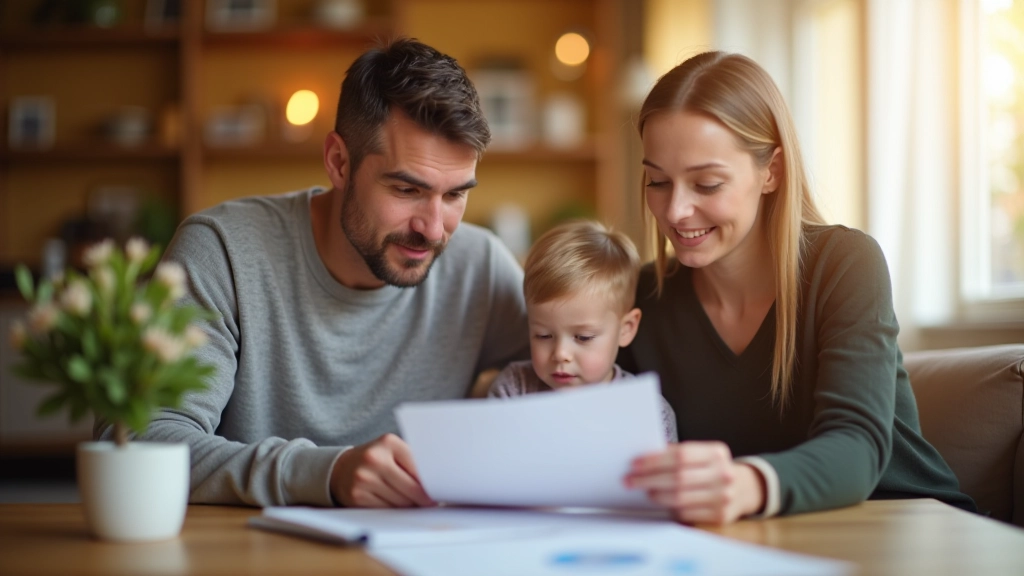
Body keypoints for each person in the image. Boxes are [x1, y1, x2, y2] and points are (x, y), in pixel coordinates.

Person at [96, 38, 530, 508]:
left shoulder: (478, 265)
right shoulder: (223, 251)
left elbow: (590, 375)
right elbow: (135, 437)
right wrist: (326, 473)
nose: (432, 228)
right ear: (339, 162)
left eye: (454, 196)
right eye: (407, 189)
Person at [618, 51, 976, 525]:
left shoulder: (844, 264)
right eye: (657, 181)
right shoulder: (642, 299)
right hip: (760, 541)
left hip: (905, 526)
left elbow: (856, 447)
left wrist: (745, 483)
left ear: (773, 172)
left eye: (706, 184)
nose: (676, 210)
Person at [488, 220, 678, 442]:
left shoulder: (648, 412)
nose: (560, 353)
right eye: (543, 335)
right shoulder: (514, 389)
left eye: (583, 337)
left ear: (626, 329)